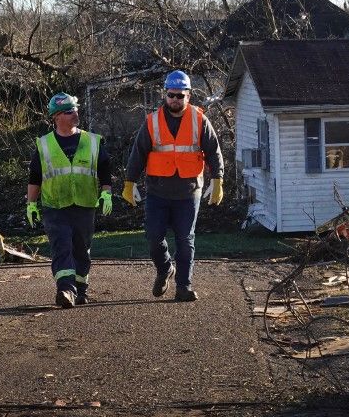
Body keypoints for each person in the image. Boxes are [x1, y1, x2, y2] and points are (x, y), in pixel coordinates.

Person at [122, 70, 223, 302]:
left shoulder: (200, 120)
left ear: (188, 95)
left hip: (189, 191)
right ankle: (165, 268)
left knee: (186, 240)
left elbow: (214, 152)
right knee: (154, 237)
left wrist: (218, 180)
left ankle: (184, 287)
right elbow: (138, 153)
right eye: (171, 95)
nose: (175, 99)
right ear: (165, 94)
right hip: (158, 191)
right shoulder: (153, 121)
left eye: (180, 95)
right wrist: (129, 182)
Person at [27, 93, 112, 308]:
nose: (75, 114)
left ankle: (80, 289)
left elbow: (104, 169)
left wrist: (106, 192)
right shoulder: (44, 145)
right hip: (54, 205)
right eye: (69, 111)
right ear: (56, 116)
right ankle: (65, 289)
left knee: (81, 248)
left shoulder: (92, 141)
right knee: (61, 245)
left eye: (75, 109)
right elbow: (35, 177)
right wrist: (31, 204)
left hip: (85, 204)